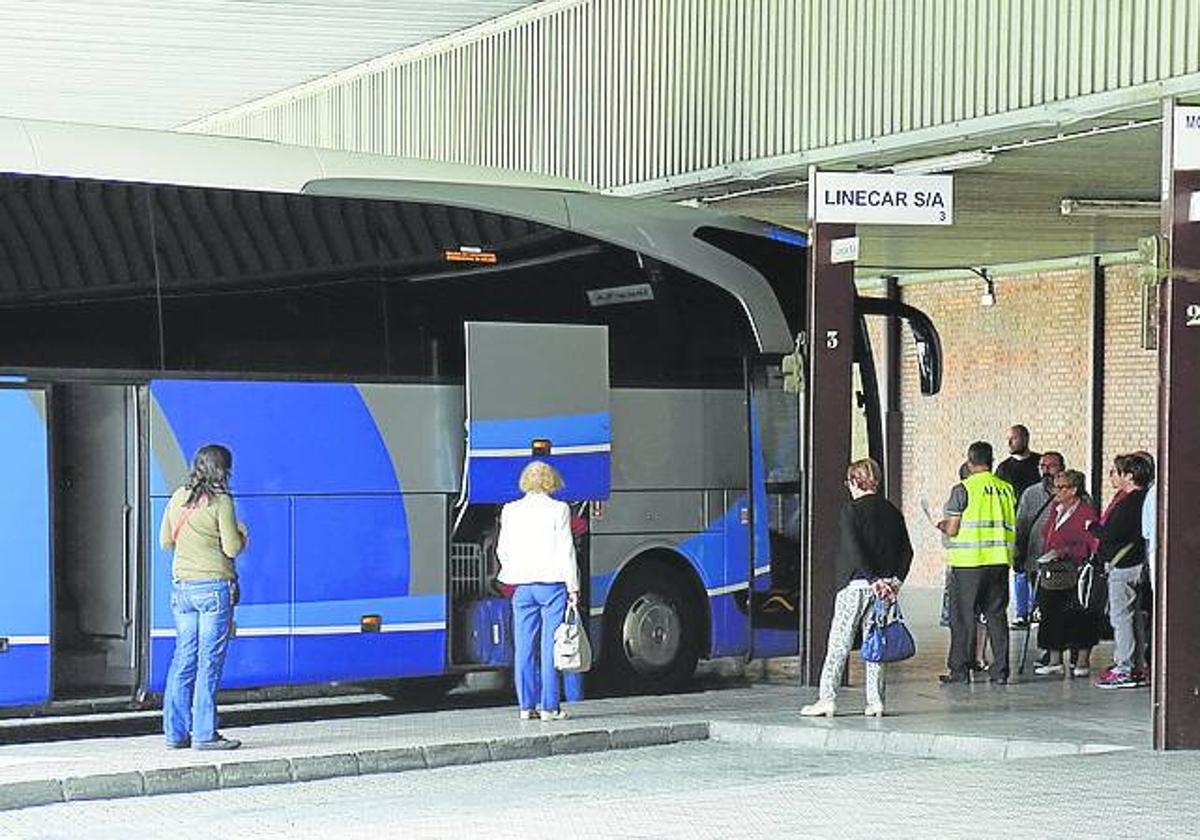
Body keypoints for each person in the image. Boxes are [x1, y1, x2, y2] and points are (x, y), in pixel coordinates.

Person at [802, 458, 912, 718]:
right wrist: (893, 582)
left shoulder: (851, 511)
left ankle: (827, 698)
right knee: (876, 645)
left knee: (839, 643)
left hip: (855, 586)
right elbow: (907, 551)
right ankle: (876, 703)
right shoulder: (892, 511)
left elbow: (854, 549)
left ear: (855, 481)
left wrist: (872, 579)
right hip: (884, 591)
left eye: (849, 481)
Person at [159, 444, 248, 750]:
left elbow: (165, 541)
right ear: (223, 469)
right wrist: (241, 534)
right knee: (208, 663)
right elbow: (232, 548)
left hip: (182, 589)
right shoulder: (221, 501)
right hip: (212, 589)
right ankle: (204, 734)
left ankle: (175, 734)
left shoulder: (177, 497)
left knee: (183, 659)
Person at [496, 461, 580, 721]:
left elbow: (502, 549)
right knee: (549, 648)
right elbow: (566, 550)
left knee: (523, 648)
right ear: (551, 480)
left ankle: (525, 706)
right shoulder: (559, 510)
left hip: (522, 588)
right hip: (551, 586)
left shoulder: (510, 510)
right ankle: (549, 707)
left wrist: (513, 572)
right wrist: (573, 586)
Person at [937, 441, 1017, 685]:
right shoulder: (1006, 489)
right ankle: (1000, 670)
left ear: (969, 462)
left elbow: (953, 528)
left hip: (968, 563)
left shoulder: (963, 489)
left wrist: (941, 525)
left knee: (963, 617)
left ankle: (960, 670)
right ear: (991, 461)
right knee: (996, 616)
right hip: (999, 561)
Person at [1090, 454, 1151, 689]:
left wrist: (1093, 528)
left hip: (1124, 566)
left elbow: (1113, 533)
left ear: (1129, 475)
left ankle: (1124, 667)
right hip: (1136, 564)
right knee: (1134, 618)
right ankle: (1138, 666)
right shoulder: (1145, 498)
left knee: (1121, 618)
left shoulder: (1130, 502)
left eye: (1117, 472)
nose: (1113, 476)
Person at [1032, 470, 1099, 678]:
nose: (1056, 491)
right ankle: (1054, 660)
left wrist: (1068, 551)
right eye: (1055, 486)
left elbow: (1092, 543)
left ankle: (1081, 661)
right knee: (1051, 613)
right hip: (1053, 571)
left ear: (1073, 490)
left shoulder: (1085, 512)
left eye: (1061, 487)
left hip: (1074, 571)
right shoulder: (1056, 508)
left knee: (1079, 615)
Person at [1012, 452, 1066, 631]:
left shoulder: (1074, 493)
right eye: (1042, 466)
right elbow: (1021, 525)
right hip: (1036, 558)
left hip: (1064, 562)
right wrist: (1018, 552)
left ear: (1061, 468)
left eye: (1051, 466)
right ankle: (1047, 648)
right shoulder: (1030, 494)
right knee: (1041, 604)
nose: (1046, 471)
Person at [995, 426, 1042, 629]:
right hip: (1015, 526)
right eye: (1008, 439)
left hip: (1038, 525)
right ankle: (1021, 613)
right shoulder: (1004, 468)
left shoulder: (1038, 465)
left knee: (1036, 568)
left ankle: (1036, 609)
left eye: (1013, 438)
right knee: (1019, 567)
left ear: (1025, 438)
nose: (1010, 443)